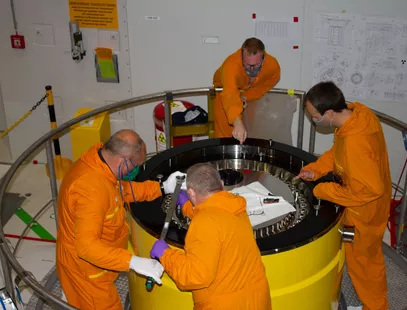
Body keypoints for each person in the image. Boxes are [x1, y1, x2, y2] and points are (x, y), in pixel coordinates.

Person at [56, 129, 186, 310]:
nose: (136, 171)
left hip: (99, 264)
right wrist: (133, 261)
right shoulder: (90, 191)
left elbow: (123, 191)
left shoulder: (102, 162)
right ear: (122, 160)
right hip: (87, 272)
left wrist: (162, 187)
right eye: (135, 167)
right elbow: (86, 248)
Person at [296, 82, 391, 310]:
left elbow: (368, 190)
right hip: (366, 200)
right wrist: (316, 169)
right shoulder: (356, 117)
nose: (313, 120)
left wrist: (322, 190)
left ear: (329, 113)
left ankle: (376, 307)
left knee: (365, 264)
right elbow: (338, 152)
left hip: (365, 211)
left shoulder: (356, 142)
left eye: (314, 116)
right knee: (365, 260)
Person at [150, 163, 271, 309]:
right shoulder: (234, 205)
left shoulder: (204, 223)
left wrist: (165, 254)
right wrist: (187, 205)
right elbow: (214, 212)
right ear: (220, 183)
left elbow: (194, 276)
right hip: (257, 299)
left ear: (192, 192)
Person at [212, 37, 280, 144]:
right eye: (248, 65)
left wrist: (246, 96)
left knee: (252, 132)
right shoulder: (231, 65)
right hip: (225, 94)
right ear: (242, 56)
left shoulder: (272, 65)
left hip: (249, 96)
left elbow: (266, 85)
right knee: (225, 136)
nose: (252, 69)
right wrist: (236, 121)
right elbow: (230, 93)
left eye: (256, 65)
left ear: (264, 57)